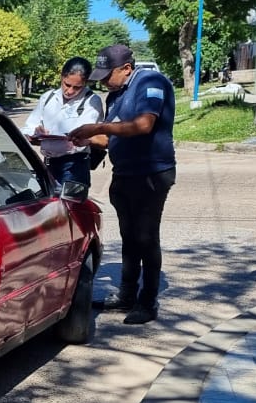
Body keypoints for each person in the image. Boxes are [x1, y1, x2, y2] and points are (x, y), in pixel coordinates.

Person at [69, 43, 176, 325]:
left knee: (146, 237)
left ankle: (147, 301)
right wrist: (80, 137)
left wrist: (98, 127)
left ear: (126, 68)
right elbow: (110, 137)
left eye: (108, 76)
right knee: (129, 237)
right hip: (125, 173)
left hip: (151, 173)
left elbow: (143, 125)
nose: (104, 82)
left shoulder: (151, 82)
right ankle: (127, 294)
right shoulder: (115, 95)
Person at [21, 57, 105, 187]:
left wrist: (75, 139)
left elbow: (83, 135)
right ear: (62, 77)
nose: (70, 91)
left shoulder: (91, 101)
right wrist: (35, 133)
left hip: (74, 166)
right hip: (49, 163)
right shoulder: (48, 97)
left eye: (77, 87)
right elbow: (28, 127)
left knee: (71, 200)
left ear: (85, 83)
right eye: (67, 85)